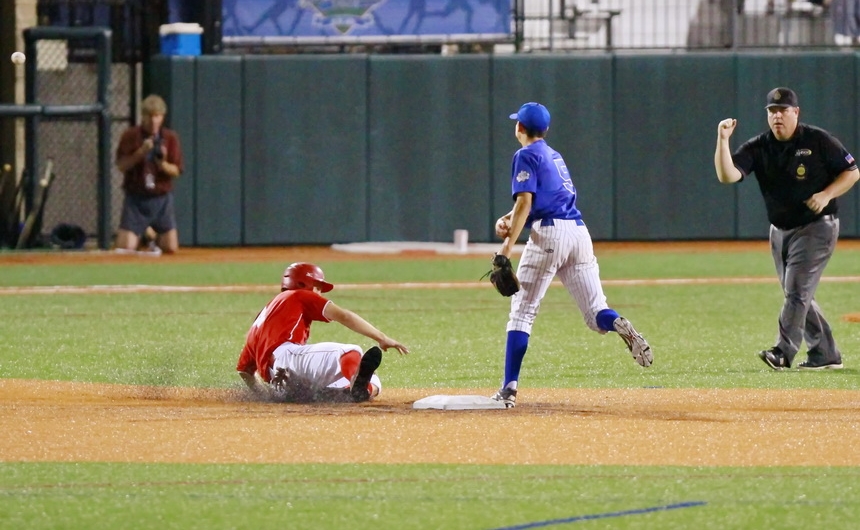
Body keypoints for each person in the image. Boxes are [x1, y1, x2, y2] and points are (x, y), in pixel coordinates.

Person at [490, 102, 653, 409]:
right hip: (578, 232)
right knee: (596, 313)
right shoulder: (555, 156)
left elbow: (526, 202)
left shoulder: (524, 154)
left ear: (520, 128)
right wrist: (509, 218)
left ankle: (509, 389)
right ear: (546, 130)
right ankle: (617, 322)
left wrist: (504, 250)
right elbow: (538, 201)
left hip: (549, 234)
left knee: (522, 313)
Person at [714, 87, 859, 371]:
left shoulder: (817, 140)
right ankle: (825, 354)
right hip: (779, 230)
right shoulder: (759, 146)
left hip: (817, 227)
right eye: (772, 111)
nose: (777, 116)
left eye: (783, 110)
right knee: (797, 294)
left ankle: (783, 351)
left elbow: (852, 172)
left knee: (796, 291)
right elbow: (727, 175)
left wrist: (827, 194)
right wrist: (722, 141)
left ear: (796, 112)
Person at [236, 262, 409, 403]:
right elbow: (344, 316)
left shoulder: (260, 320)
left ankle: (346, 392)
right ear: (303, 284)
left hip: (281, 380)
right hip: (288, 357)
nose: (319, 292)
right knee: (350, 351)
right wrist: (382, 338)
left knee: (371, 380)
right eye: (317, 287)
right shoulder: (298, 295)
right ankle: (357, 390)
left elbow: (244, 371)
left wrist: (268, 396)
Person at [114, 94, 184, 254]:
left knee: (171, 247)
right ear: (143, 117)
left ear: (163, 117)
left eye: (157, 116)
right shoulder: (131, 136)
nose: (153, 121)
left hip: (161, 198)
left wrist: (162, 164)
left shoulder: (170, 138)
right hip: (136, 197)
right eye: (150, 116)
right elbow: (121, 165)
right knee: (125, 247)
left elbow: (176, 170)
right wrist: (140, 153)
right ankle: (142, 234)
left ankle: (153, 235)